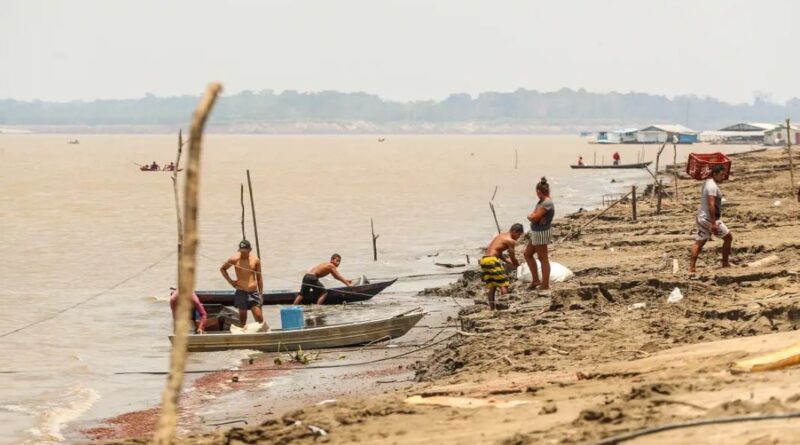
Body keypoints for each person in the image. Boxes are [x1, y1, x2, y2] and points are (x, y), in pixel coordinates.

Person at [689, 165, 732, 273]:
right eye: (721, 175)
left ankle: (692, 268)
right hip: (708, 219)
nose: (723, 177)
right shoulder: (711, 186)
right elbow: (711, 204)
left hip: (702, 218)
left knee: (699, 242)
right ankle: (725, 263)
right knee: (728, 238)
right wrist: (713, 223)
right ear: (715, 174)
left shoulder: (709, 183)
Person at [220, 240, 264, 326]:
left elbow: (259, 278)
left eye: (245, 251)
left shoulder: (255, 260)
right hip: (241, 291)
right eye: (241, 251)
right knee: (243, 318)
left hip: (253, 292)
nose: (243, 253)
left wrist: (261, 294)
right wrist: (231, 282)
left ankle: (262, 332)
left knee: (259, 317)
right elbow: (223, 269)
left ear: (250, 250)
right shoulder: (234, 259)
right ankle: (243, 333)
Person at [480, 223, 524, 310]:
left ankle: (492, 308)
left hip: (484, 260)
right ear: (514, 232)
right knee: (504, 284)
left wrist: (507, 261)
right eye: (518, 235)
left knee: (492, 285)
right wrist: (518, 266)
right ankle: (503, 306)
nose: (518, 238)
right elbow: (512, 256)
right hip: (492, 261)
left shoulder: (501, 235)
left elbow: (498, 252)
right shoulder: (510, 240)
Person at [524, 177, 556, 290]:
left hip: (541, 232)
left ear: (539, 191)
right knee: (527, 254)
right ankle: (536, 280)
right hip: (536, 232)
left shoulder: (547, 203)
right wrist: (534, 216)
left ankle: (545, 284)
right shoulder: (541, 202)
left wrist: (533, 216)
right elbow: (534, 216)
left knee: (543, 258)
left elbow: (534, 217)